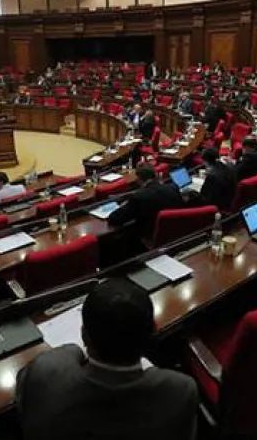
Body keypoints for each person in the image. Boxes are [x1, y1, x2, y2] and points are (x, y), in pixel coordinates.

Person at [15, 278, 198, 440]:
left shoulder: (44, 374)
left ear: (84, 335)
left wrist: (75, 349)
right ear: (153, 330)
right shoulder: (181, 391)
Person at [108, 165, 185, 239]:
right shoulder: (173, 187)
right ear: (155, 175)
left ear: (138, 179)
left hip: (151, 236)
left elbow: (114, 218)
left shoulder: (139, 197)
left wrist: (124, 205)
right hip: (176, 233)